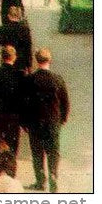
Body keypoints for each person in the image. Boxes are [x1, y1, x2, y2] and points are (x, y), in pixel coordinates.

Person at [22, 48, 69, 192]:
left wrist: (24, 122)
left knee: (37, 152)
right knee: (53, 151)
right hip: (53, 121)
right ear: (50, 60)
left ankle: (40, 180)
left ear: (37, 60)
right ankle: (53, 175)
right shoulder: (57, 79)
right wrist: (63, 118)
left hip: (35, 122)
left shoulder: (30, 80)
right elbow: (64, 101)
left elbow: (25, 102)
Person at [0, 6, 33, 74]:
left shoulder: (3, 28)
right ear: (19, 16)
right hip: (21, 62)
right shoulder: (25, 29)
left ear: (9, 16)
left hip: (7, 60)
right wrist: (29, 65)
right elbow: (28, 48)